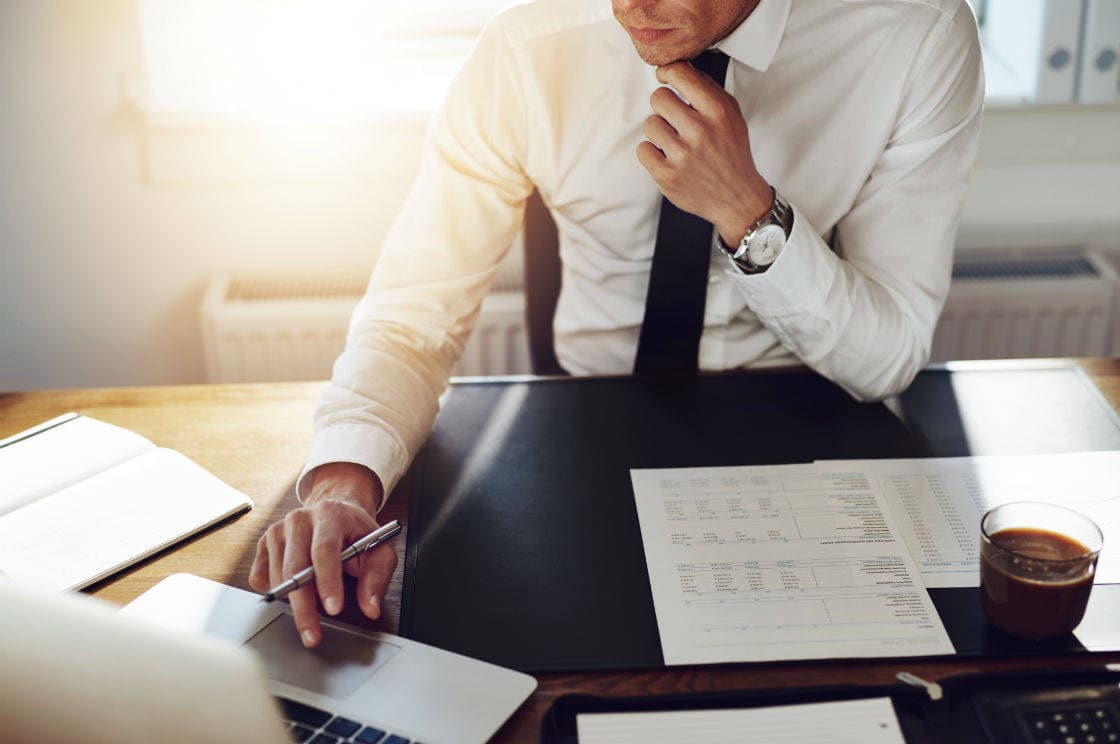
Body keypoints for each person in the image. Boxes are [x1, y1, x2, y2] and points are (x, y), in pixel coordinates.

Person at [249, 0, 984, 647]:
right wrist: (344, 483)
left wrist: (749, 213)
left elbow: (887, 357)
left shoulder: (916, 32)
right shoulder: (525, 48)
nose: (629, 3)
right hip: (576, 438)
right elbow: (414, 316)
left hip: (809, 434)